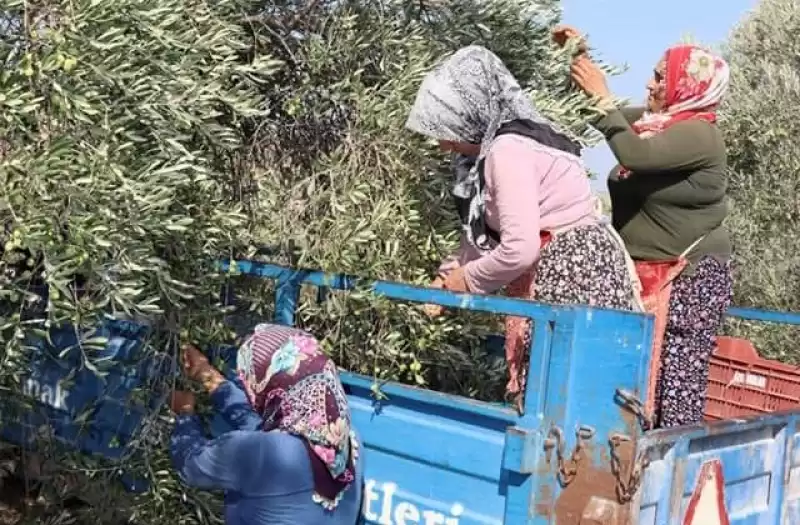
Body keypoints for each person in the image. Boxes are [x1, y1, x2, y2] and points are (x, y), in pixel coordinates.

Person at [405, 45, 641, 413]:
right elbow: (487, 233)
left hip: (573, 273)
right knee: (554, 395)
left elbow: (519, 248)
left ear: (469, 115)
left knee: (560, 396)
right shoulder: (490, 152)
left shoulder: (507, 151)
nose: (441, 142)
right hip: (560, 265)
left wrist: (465, 281)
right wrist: (446, 277)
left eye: (446, 128)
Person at [558, 26, 733, 428]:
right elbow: (597, 112)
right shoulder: (658, 123)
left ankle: (670, 476)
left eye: (659, 77)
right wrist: (576, 56)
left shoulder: (699, 136)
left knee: (675, 383)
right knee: (628, 379)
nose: (649, 84)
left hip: (689, 277)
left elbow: (632, 152)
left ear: (684, 86)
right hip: (642, 275)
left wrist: (602, 97)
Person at [169, 323, 363, 525]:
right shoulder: (348, 439)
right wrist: (208, 377)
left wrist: (184, 413)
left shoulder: (264, 454)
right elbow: (262, 432)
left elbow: (191, 465)